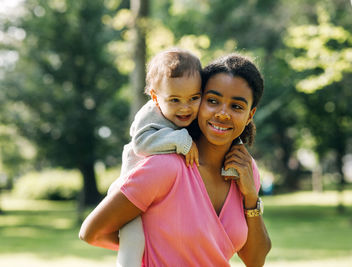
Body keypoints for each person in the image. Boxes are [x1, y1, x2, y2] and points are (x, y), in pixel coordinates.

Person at [79, 53, 272, 266]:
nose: (223, 114)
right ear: (198, 99)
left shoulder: (246, 170)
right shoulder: (165, 166)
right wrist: (152, 251)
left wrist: (250, 196)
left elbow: (255, 260)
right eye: (213, 101)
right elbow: (92, 232)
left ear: (250, 114)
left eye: (236, 106)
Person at [108, 48, 202, 267]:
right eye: (175, 100)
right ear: (155, 97)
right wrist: (180, 139)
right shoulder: (149, 114)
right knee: (133, 242)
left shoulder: (188, 116)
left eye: (194, 98)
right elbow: (141, 145)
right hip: (129, 192)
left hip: (156, 198)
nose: (185, 108)